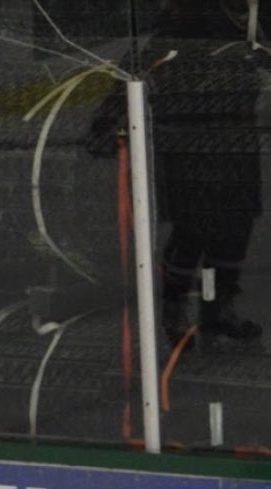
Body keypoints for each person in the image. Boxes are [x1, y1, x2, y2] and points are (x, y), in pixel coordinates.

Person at [88, 0, 266, 349]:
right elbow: (136, 71)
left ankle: (217, 310)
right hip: (190, 151)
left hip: (235, 147)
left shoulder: (245, 34)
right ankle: (174, 313)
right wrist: (107, 124)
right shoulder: (180, 31)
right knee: (193, 233)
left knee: (234, 231)